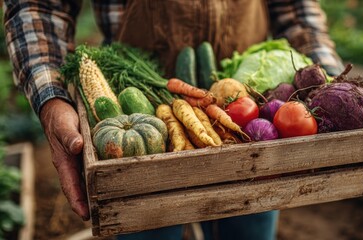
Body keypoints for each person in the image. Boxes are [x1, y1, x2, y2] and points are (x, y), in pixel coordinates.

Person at [3, 0, 344, 239]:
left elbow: (296, 9)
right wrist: (52, 99)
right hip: (139, 118)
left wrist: (329, 79)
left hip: (248, 126)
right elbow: (40, 5)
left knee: (249, 229)